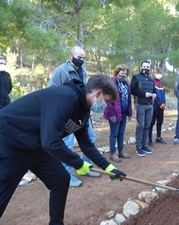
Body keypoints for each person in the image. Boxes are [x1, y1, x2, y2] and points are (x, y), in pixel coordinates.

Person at [0, 74, 127, 225]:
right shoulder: (65, 98)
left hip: (36, 145)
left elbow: (86, 144)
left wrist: (109, 168)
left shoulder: (83, 111)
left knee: (60, 180)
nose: (105, 105)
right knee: (3, 192)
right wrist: (78, 164)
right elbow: (51, 142)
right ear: (98, 93)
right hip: (10, 142)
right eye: (106, 101)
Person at [48, 46, 100, 187]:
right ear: (71, 56)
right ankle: (67, 175)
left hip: (82, 113)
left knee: (91, 138)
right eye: (79, 57)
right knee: (67, 145)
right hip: (67, 116)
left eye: (83, 58)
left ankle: (85, 169)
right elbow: (51, 91)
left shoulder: (83, 71)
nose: (81, 60)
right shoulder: (61, 71)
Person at [103, 64, 132, 163]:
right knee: (114, 133)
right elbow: (107, 100)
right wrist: (112, 114)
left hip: (123, 112)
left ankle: (121, 151)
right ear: (117, 72)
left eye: (125, 73)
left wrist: (129, 112)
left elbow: (128, 99)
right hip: (114, 113)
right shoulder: (111, 82)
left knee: (121, 133)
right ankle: (112, 153)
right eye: (121, 72)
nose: (123, 75)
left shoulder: (126, 83)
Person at [130, 60, 156, 157]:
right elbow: (132, 90)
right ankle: (139, 147)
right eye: (144, 66)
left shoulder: (151, 79)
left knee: (147, 125)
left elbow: (153, 89)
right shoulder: (136, 77)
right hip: (140, 104)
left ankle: (145, 145)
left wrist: (154, 94)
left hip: (150, 105)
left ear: (150, 68)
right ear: (141, 67)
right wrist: (144, 94)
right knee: (141, 125)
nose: (146, 68)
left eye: (147, 67)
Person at [148, 67, 167, 146]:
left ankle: (158, 137)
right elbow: (153, 96)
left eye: (160, 73)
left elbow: (163, 95)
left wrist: (164, 103)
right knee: (151, 122)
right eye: (157, 73)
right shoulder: (152, 82)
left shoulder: (161, 83)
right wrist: (159, 104)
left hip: (161, 106)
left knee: (160, 122)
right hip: (155, 106)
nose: (159, 74)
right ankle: (149, 139)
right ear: (154, 74)